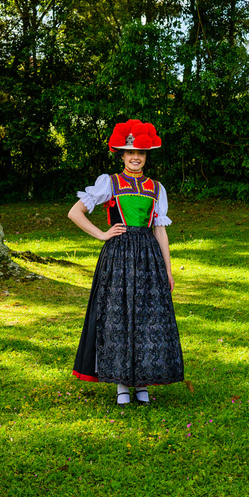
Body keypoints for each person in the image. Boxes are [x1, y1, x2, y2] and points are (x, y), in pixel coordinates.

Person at [69, 119, 183, 405]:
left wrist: (168, 270)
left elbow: (160, 231)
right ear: (121, 155)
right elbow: (75, 212)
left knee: (146, 317)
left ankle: (141, 382)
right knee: (118, 317)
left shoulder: (156, 188)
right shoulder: (109, 183)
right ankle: (121, 383)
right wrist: (102, 234)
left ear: (146, 156)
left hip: (148, 258)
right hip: (118, 256)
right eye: (130, 152)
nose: (135, 157)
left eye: (140, 153)